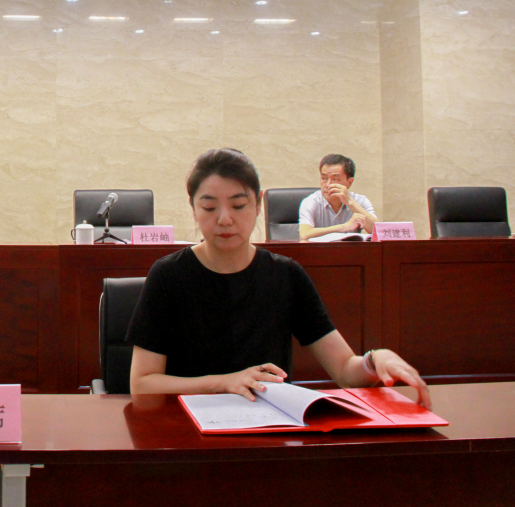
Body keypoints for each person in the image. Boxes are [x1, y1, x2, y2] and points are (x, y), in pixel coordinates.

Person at [126, 148, 430, 408]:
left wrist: (374, 360)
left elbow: (344, 370)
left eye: (238, 205)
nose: (225, 219)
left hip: (269, 428)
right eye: (209, 207)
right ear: (193, 208)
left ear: (258, 204)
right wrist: (225, 382)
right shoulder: (169, 275)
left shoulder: (285, 275)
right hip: (187, 429)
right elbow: (142, 384)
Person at [298, 153, 379, 240]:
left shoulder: (360, 201)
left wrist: (350, 202)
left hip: (350, 249)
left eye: (335, 179)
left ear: (349, 182)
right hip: (320, 248)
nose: (328, 185)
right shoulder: (311, 201)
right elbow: (304, 234)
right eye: (324, 178)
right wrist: (344, 227)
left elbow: (378, 232)